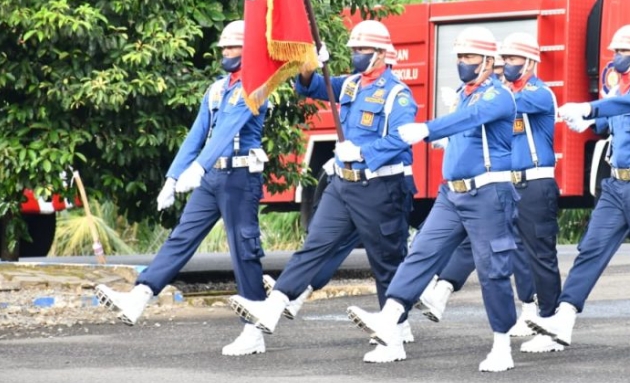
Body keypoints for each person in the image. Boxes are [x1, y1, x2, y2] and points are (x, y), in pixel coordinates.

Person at [226, 20, 418, 364]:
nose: (356, 56)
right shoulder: (349, 86)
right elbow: (311, 87)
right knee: (314, 246)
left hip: (381, 187)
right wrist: (307, 66)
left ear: (382, 55)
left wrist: (362, 153)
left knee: (386, 262)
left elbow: (403, 139)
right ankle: (275, 306)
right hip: (343, 185)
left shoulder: (397, 94)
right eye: (353, 50)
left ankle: (394, 336)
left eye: (362, 51)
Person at [346, 25, 520, 373]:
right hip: (451, 194)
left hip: (488, 193)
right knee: (420, 254)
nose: (462, 63)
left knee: (492, 270)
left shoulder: (496, 95)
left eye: (469, 57)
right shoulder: (465, 92)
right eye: (459, 57)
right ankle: (390, 317)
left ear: (488, 61)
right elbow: (463, 127)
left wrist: (428, 129)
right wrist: (442, 138)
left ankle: (502, 344)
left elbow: (471, 119)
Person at [95, 20, 271, 356]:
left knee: (243, 250)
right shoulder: (217, 89)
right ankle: (140, 295)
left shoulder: (257, 87)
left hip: (240, 178)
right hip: (212, 179)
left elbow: (228, 130)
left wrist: (199, 167)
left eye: (232, 48)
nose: (225, 53)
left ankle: (254, 328)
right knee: (181, 237)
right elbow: (197, 134)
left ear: (248, 50)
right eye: (223, 49)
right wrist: (173, 177)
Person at [526, 24, 630, 361]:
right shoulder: (619, 93)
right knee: (590, 250)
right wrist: (589, 123)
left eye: (622, 52)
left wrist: (589, 109)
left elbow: (625, 105)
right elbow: (610, 121)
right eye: (615, 52)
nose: (615, 58)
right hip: (616, 185)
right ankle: (563, 320)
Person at [417, 31, 564, 354]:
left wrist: (465, 101)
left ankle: (549, 322)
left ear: (531, 62)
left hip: (535, 182)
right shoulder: (497, 93)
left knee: (538, 255)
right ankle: (445, 290)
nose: (506, 66)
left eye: (512, 60)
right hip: (503, 183)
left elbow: (497, 105)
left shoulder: (539, 94)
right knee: (484, 245)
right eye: (503, 60)